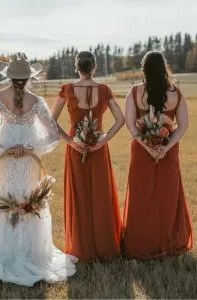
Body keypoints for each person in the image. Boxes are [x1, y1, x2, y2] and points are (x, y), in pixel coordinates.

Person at [0, 52, 76, 286]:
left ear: (8, 77)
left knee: (6, 193)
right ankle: (33, 254)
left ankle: (4, 253)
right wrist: (31, 147)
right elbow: (52, 135)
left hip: (7, 157)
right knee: (29, 195)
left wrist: (4, 149)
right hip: (30, 157)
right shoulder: (37, 101)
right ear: (29, 77)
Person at [51, 51, 124, 261]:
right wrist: (103, 140)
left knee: (80, 195)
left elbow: (50, 120)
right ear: (94, 67)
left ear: (77, 67)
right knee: (100, 195)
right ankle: (104, 246)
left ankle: (81, 247)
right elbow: (120, 120)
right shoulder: (104, 89)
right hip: (98, 150)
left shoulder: (67, 89)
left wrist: (70, 140)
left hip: (76, 149)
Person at [123, 51, 193, 258]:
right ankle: (168, 243)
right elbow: (183, 125)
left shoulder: (134, 92)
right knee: (167, 196)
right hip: (167, 150)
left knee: (141, 196)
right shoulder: (175, 93)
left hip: (142, 151)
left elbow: (131, 127)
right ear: (165, 68)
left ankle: (142, 243)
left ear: (144, 69)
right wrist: (165, 147)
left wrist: (148, 147)